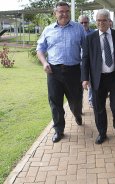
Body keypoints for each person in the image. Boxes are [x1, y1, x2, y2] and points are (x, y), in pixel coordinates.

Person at [36, 1, 85, 143]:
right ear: (55, 13)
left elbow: (86, 49)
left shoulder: (78, 28)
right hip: (54, 72)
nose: (64, 14)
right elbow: (40, 49)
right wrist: (44, 63)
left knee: (75, 101)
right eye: (61, 11)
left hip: (74, 71)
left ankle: (77, 114)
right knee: (55, 102)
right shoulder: (48, 29)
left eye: (66, 11)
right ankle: (59, 130)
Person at [81, 9, 115, 145]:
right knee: (99, 108)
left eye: (104, 20)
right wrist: (85, 78)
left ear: (109, 21)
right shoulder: (90, 38)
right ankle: (102, 133)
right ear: (96, 22)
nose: (101, 23)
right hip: (98, 79)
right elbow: (85, 59)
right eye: (98, 21)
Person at [78, 15, 95, 108]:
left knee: (91, 82)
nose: (84, 24)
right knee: (79, 85)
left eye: (85, 22)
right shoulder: (76, 33)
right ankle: (79, 105)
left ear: (88, 22)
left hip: (90, 62)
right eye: (81, 22)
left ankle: (91, 100)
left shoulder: (94, 33)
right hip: (78, 63)